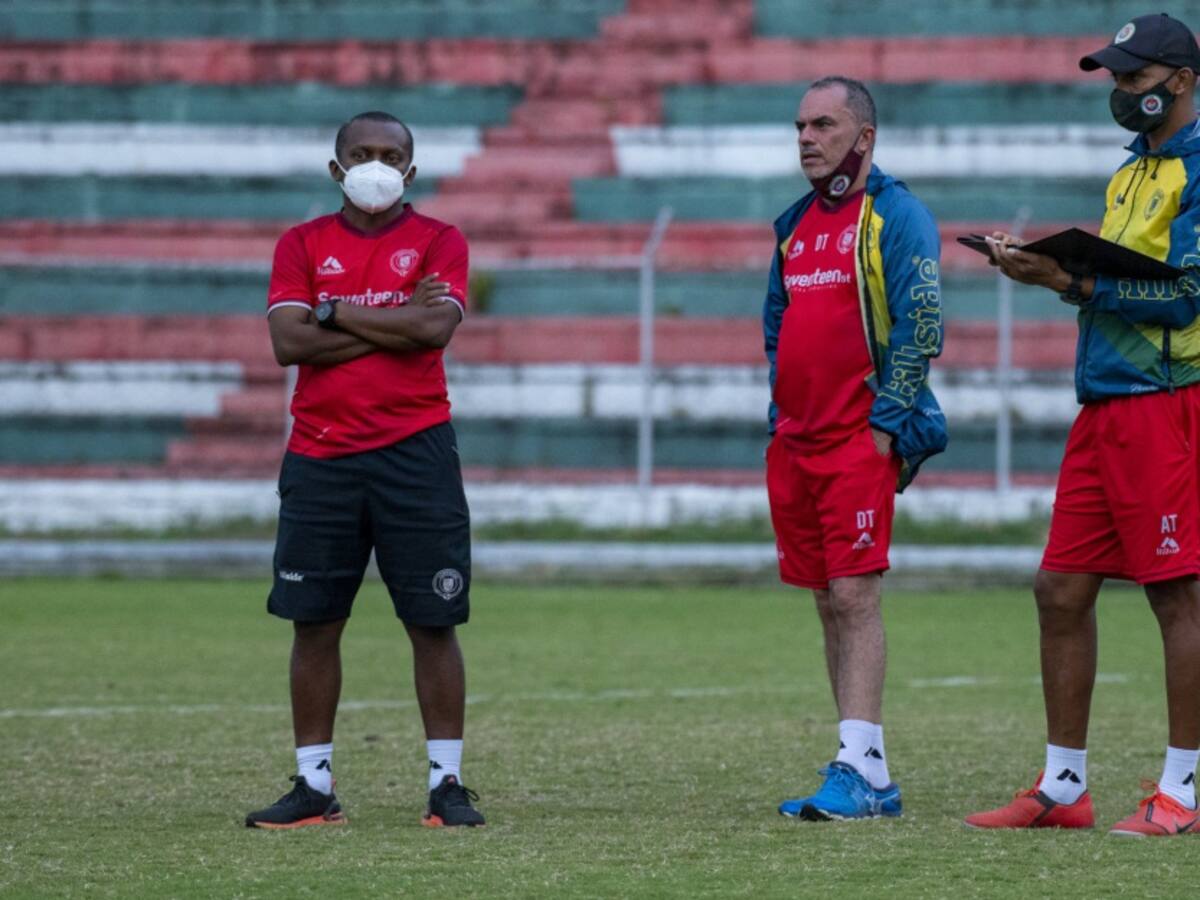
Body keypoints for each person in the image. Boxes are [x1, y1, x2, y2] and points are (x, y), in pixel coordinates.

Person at [966, 14, 1200, 836]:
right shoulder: (1132, 172)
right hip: (1104, 400)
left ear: (1179, 80)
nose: (1119, 93)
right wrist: (1053, 270)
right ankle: (1065, 787)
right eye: (1114, 79)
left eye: (1132, 80)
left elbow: (1185, 297)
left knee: (1178, 594)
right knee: (1059, 590)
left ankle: (1186, 793)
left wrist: (1064, 278)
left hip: (1163, 402)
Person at [244, 110, 485, 829]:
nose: (374, 166)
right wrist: (391, 327)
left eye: (389, 155)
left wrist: (334, 314)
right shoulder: (302, 242)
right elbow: (289, 345)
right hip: (320, 457)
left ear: (410, 171)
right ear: (336, 168)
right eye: (360, 154)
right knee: (314, 624)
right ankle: (313, 785)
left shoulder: (441, 239)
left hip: (418, 454)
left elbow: (435, 329)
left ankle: (447, 784)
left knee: (432, 622)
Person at [765, 76, 947, 821]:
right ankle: (856, 755)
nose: (807, 138)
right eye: (801, 124)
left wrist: (886, 425)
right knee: (824, 599)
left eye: (824, 125)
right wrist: (780, 414)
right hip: (797, 440)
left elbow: (922, 321)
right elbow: (778, 325)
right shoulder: (792, 223)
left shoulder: (895, 214)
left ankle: (864, 768)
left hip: (856, 439)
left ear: (862, 138)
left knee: (854, 593)